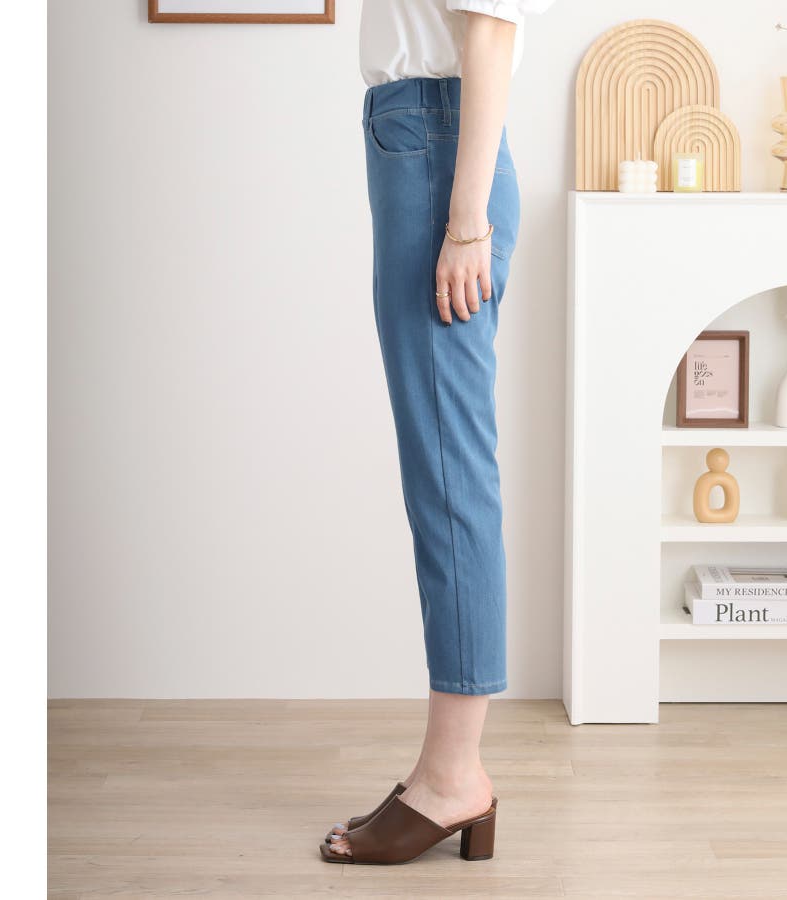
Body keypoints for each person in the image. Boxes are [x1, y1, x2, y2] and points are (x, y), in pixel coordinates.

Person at [319, 0, 555, 865]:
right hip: (419, 143)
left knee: (451, 480)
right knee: (444, 474)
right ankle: (445, 768)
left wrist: (466, 224)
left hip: (437, 150)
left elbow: (489, 28)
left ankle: (455, 775)